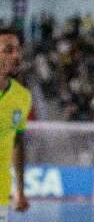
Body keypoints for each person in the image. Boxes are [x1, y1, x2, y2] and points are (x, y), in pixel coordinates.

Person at [0, 28, 31, 222]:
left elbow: (17, 142)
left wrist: (19, 190)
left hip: (2, 193)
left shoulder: (23, 97)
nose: (16, 55)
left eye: (18, 49)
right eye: (8, 50)